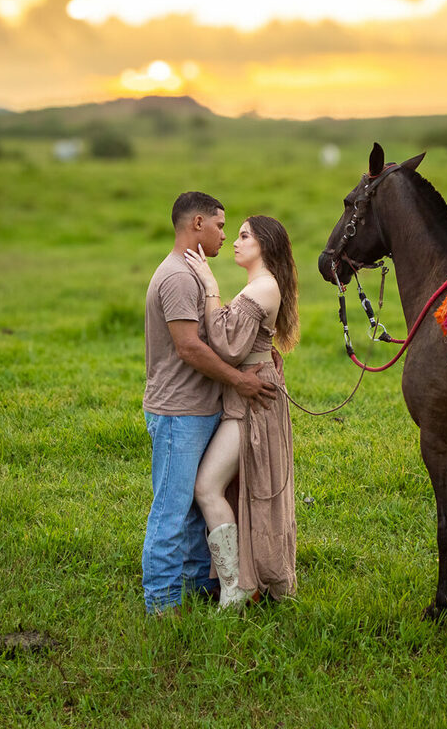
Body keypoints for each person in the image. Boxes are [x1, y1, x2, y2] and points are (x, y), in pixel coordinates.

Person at [142, 192, 279, 616]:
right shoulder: (180, 278)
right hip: (179, 411)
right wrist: (241, 380)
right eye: (220, 226)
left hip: (200, 408)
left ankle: (199, 585)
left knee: (191, 508)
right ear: (197, 223)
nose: (225, 235)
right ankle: (162, 604)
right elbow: (189, 347)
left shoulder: (194, 274)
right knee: (171, 511)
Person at [183, 215, 300, 609]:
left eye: (244, 235)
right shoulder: (260, 284)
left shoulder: (264, 287)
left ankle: (236, 589)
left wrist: (211, 287)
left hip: (253, 401)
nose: (234, 241)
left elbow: (228, 346)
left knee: (207, 486)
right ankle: (236, 585)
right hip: (246, 394)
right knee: (228, 488)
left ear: (264, 244)